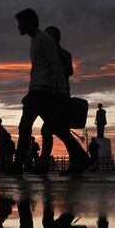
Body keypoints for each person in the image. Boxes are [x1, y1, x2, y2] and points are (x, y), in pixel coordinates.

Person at [10, 8, 92, 175]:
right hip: (40, 91)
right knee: (57, 128)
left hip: (43, 92)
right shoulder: (36, 40)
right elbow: (38, 70)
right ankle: (82, 160)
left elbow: (56, 66)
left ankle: (17, 165)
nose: (18, 26)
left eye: (20, 22)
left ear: (29, 22)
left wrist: (62, 90)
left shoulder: (43, 40)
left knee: (26, 126)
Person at [38, 25, 73, 174]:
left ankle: (44, 164)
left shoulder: (63, 54)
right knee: (54, 130)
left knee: (52, 130)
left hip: (59, 97)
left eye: (52, 35)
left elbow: (69, 71)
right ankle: (45, 164)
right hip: (49, 96)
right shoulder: (45, 55)